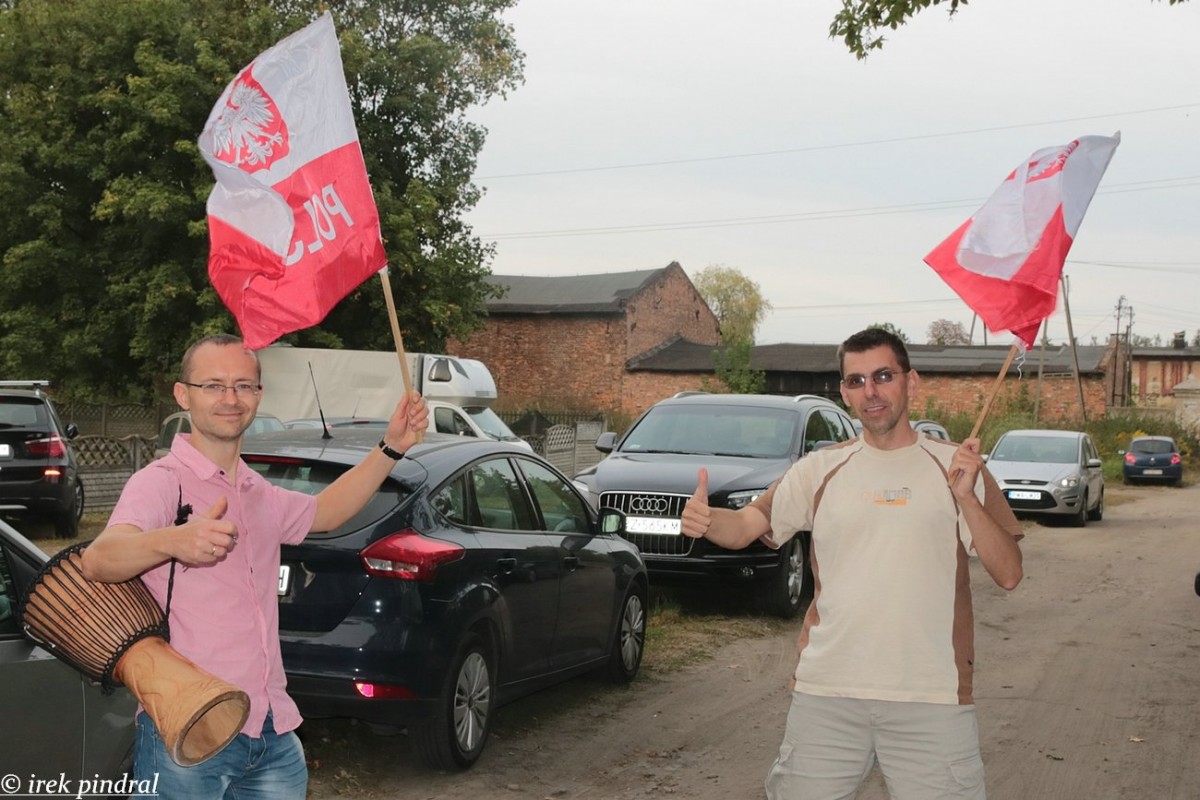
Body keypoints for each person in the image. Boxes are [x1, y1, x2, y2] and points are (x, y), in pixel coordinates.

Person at [681, 327, 1023, 800]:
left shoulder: (956, 467)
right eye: (856, 381)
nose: (871, 391)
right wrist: (708, 520)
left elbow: (1009, 572)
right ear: (843, 392)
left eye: (883, 376)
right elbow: (747, 525)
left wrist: (966, 498)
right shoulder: (821, 469)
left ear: (911, 381)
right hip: (827, 695)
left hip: (932, 699)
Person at [80, 333, 428, 799]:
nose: (230, 398)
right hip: (189, 731)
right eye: (214, 385)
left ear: (258, 397)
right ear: (183, 395)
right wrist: (174, 540)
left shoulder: (254, 490)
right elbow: (99, 559)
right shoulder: (161, 483)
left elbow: (324, 512)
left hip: (272, 732)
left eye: (244, 386)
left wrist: (391, 446)